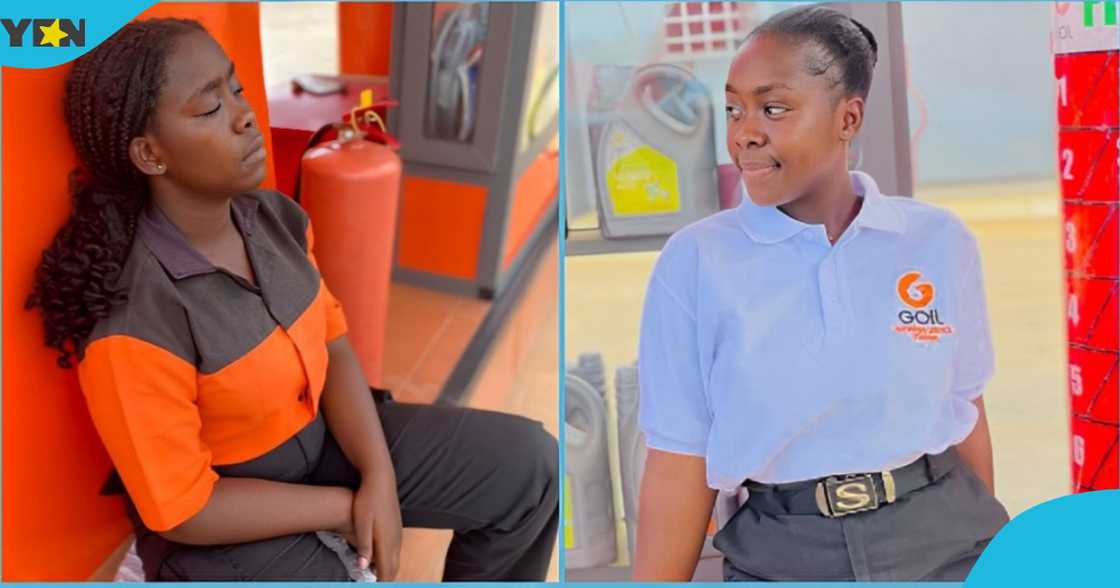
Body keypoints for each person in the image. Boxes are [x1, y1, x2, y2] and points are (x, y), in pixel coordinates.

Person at [26, 18, 557, 581]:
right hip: (224, 519)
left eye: (236, 89)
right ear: (151, 154)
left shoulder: (275, 221)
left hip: (324, 446)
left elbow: (337, 348)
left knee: (532, 468)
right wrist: (344, 507)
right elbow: (185, 509)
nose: (244, 114)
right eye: (209, 109)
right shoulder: (134, 321)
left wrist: (377, 476)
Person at [632, 5, 1009, 582]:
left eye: (773, 108)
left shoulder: (937, 240)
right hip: (782, 552)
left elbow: (965, 411)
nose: (745, 132)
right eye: (733, 108)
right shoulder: (696, 262)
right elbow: (679, 459)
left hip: (945, 538)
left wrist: (989, 557)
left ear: (848, 119)